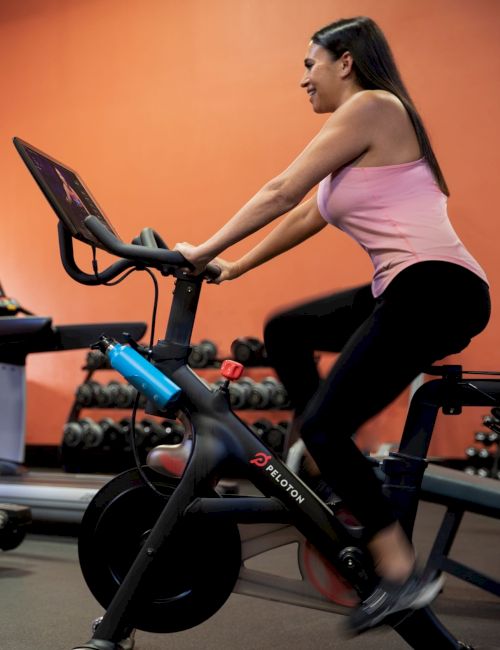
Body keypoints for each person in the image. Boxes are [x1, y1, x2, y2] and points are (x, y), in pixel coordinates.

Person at [174, 16, 490, 633]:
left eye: (309, 64)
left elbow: (281, 190)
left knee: (326, 424)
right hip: (406, 289)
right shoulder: (356, 151)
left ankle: (401, 571)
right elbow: (300, 219)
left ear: (345, 61)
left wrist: (201, 250)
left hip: (437, 288)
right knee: (286, 329)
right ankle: (315, 459)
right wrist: (233, 266)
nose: (303, 81)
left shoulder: (374, 106)